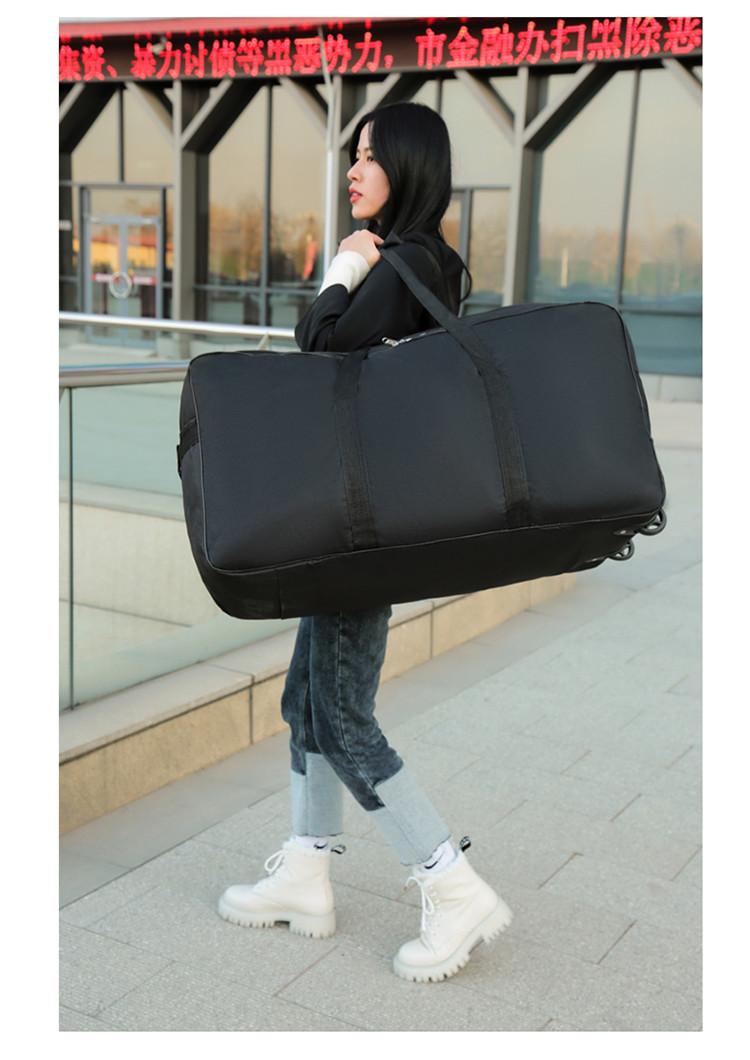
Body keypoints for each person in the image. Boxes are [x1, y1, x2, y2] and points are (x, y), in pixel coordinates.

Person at [218, 102, 513, 983]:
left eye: (371, 155)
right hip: (361, 515)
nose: (353, 169)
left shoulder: (400, 261)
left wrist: (346, 265)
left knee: (343, 715)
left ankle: (452, 886)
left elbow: (317, 346)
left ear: (410, 167)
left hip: (358, 525)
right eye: (353, 154)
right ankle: (307, 874)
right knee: (308, 699)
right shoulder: (429, 263)